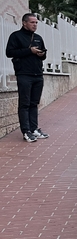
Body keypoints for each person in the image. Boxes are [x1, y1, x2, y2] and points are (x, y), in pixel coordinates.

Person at [5, 13, 49, 142]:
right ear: (24, 23)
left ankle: (34, 129)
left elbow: (44, 54)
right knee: (24, 104)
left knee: (34, 103)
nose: (35, 25)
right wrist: (29, 51)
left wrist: (41, 54)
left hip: (38, 74)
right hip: (24, 74)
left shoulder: (38, 38)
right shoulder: (16, 36)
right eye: (32, 22)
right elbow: (9, 53)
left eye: (36, 23)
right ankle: (26, 131)